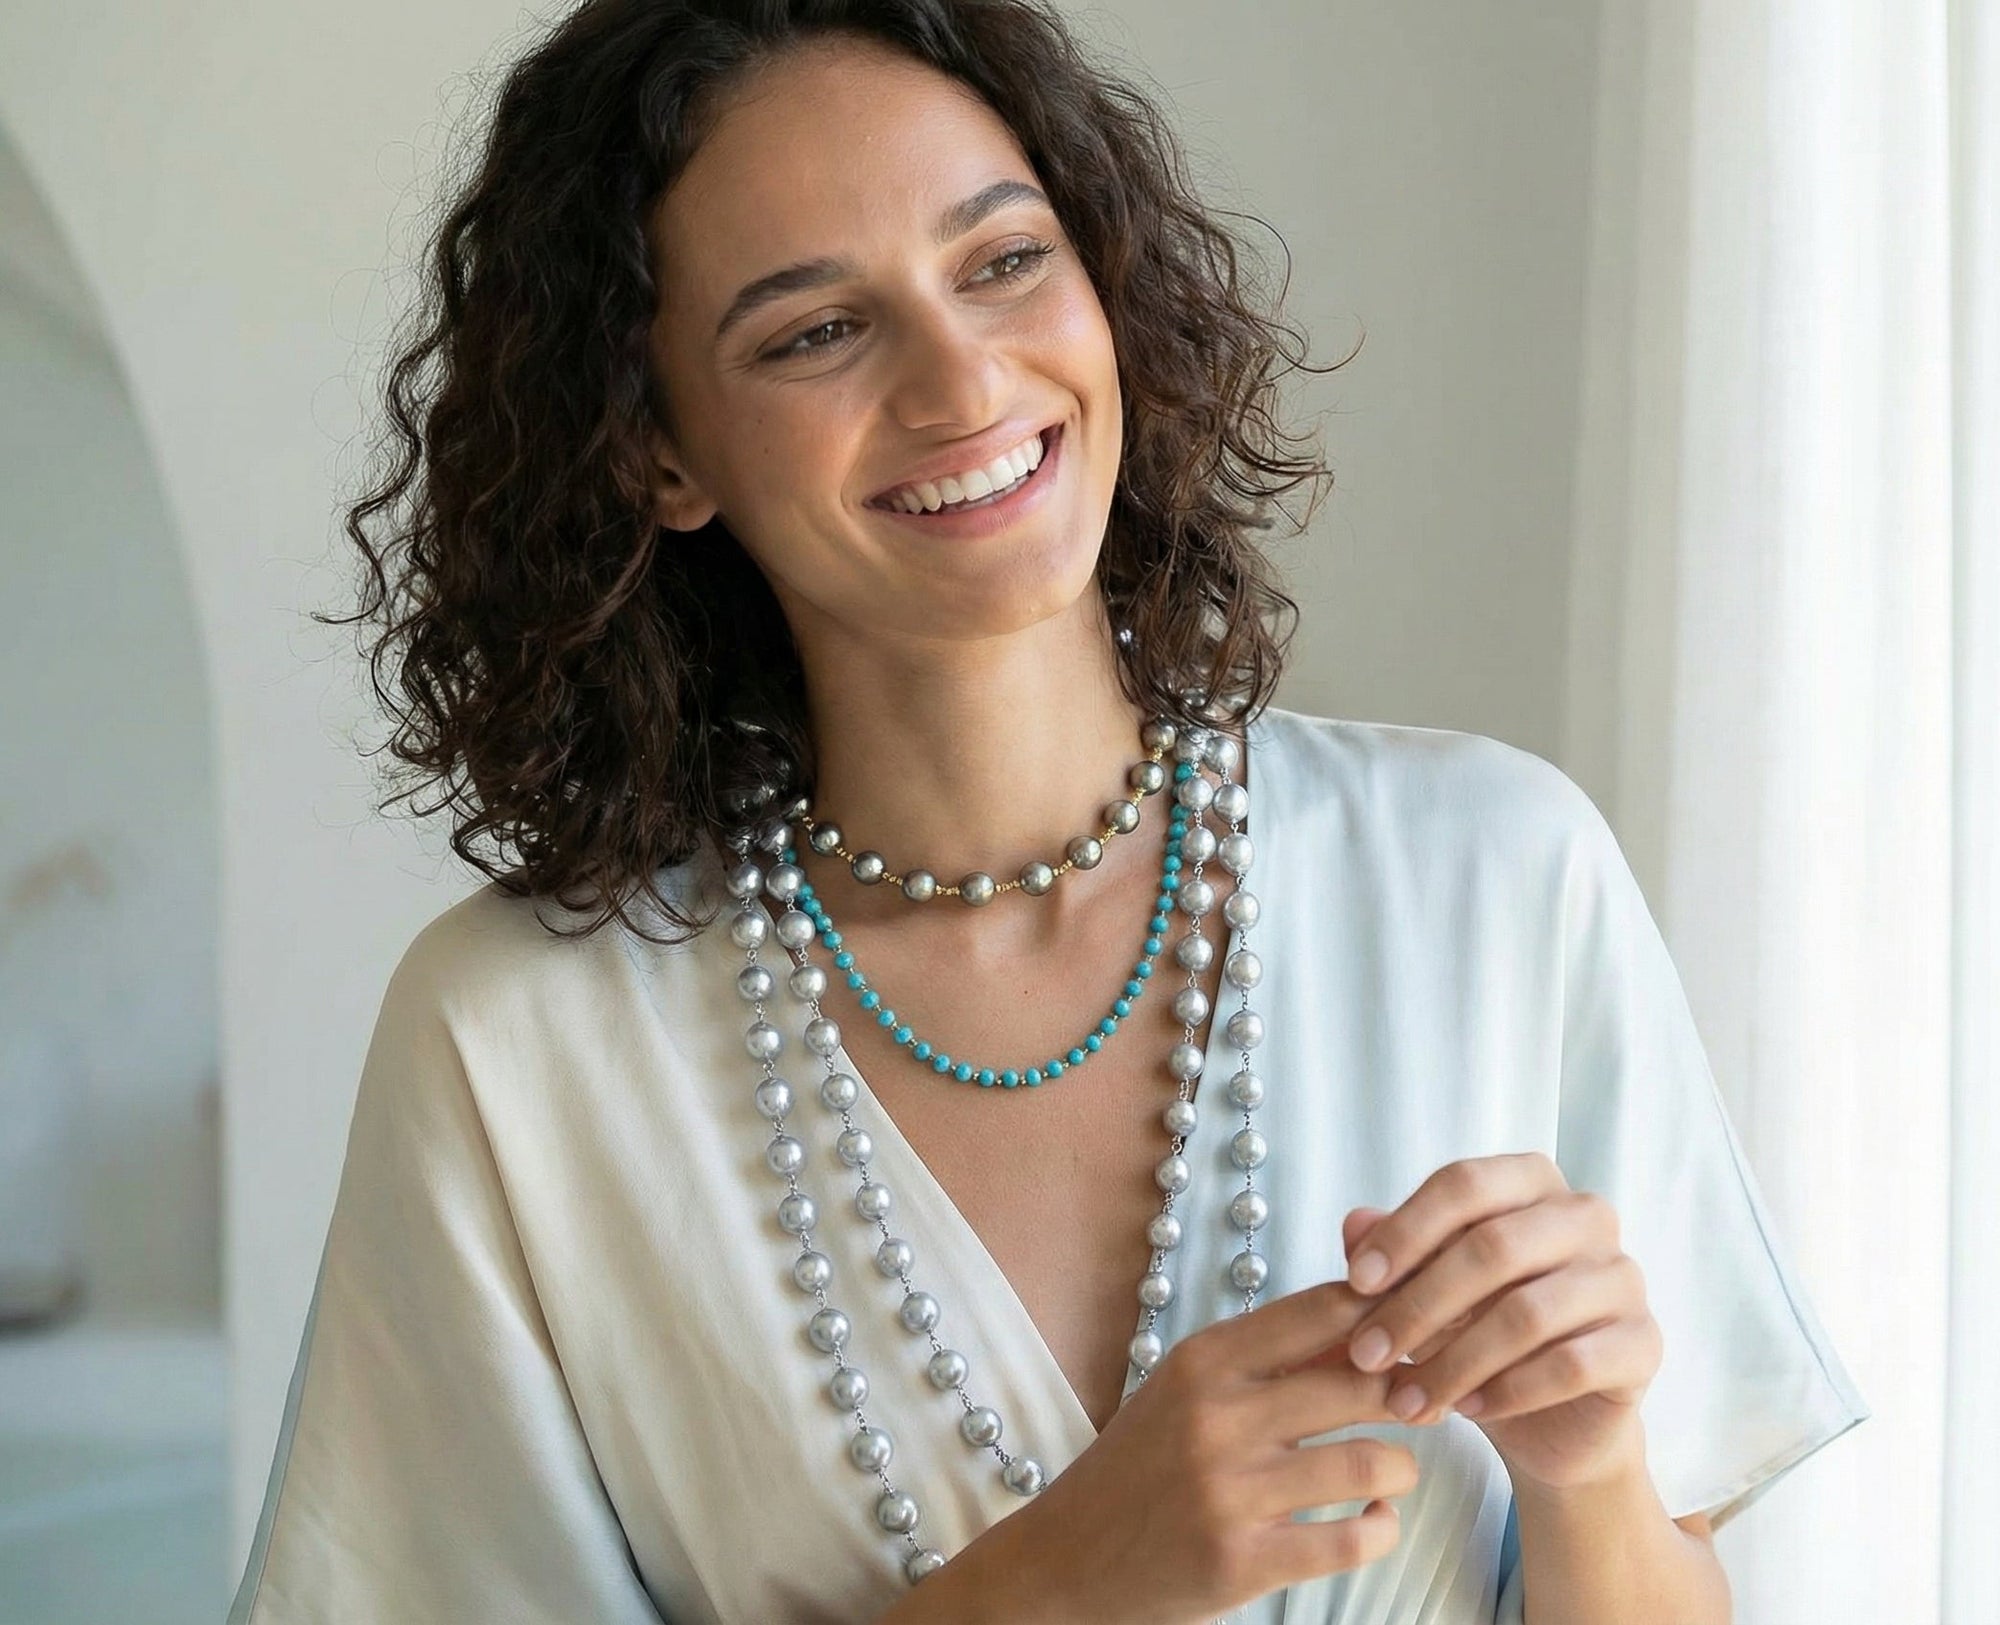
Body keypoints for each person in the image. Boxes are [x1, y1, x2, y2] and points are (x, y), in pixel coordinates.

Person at [227, 2, 1868, 1621]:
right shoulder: (519, 1041)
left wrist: (1585, 1474)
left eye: (1004, 260)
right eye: (815, 331)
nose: (963, 377)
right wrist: (1051, 1585)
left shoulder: (1500, 875)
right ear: (659, 452)